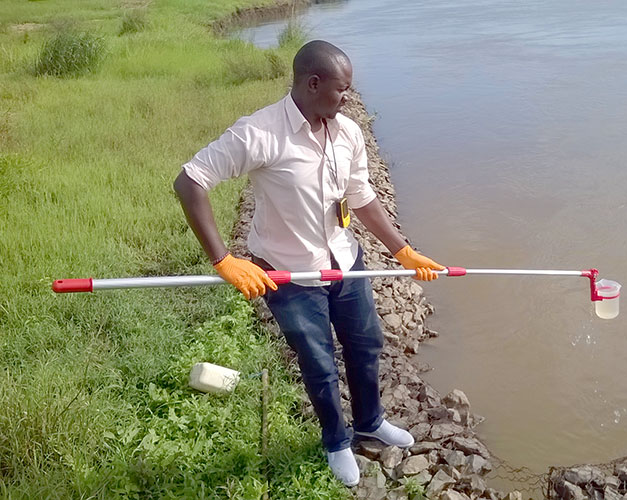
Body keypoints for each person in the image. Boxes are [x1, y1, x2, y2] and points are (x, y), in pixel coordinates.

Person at [173, 40, 444, 487]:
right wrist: (223, 259)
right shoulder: (258, 133)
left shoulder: (348, 132)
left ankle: (370, 422)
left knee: (366, 342)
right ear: (312, 83)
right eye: (342, 89)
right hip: (289, 271)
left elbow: (361, 198)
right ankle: (336, 441)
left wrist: (403, 251)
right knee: (317, 359)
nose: (348, 98)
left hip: (344, 259)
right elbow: (190, 181)